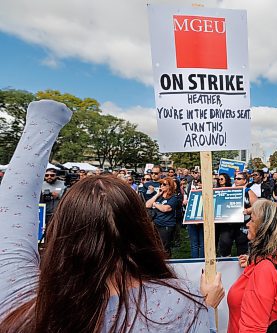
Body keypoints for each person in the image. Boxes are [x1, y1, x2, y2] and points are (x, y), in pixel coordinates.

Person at [0, 100, 224, 332]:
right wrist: (205, 306)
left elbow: (11, 208)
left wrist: (44, 121)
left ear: (62, 230)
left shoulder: (21, 299)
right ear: (140, 228)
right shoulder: (180, 305)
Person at [227, 200, 277, 332]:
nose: (248, 224)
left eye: (252, 220)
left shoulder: (265, 270)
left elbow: (253, 328)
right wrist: (253, 261)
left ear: (264, 228)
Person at [146, 177, 181, 257]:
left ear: (170, 186)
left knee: (164, 247)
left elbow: (166, 208)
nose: (161, 186)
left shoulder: (173, 198)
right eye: (160, 184)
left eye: (164, 184)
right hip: (155, 224)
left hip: (166, 225)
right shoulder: (159, 196)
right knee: (155, 246)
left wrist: (155, 204)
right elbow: (147, 205)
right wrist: (157, 194)